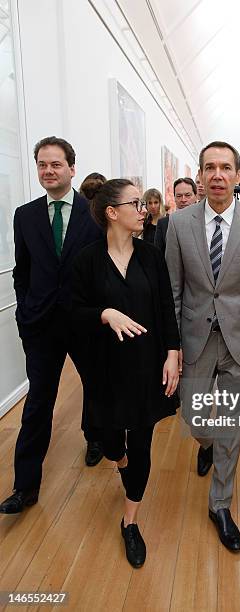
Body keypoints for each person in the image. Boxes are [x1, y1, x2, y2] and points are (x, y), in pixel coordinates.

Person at [166, 141, 240, 552]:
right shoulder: (178, 224)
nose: (217, 174)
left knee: (231, 423)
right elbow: (172, 292)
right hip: (194, 337)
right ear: (199, 175)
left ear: (236, 175)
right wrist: (171, 347)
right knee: (194, 419)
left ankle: (221, 505)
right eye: (209, 167)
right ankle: (209, 444)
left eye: (225, 167)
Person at [71, 178, 180, 568]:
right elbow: (71, 312)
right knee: (109, 441)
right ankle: (119, 459)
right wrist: (104, 312)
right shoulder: (86, 260)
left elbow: (167, 307)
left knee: (143, 443)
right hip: (104, 370)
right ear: (112, 213)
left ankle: (129, 520)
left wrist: (172, 353)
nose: (144, 208)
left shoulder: (151, 256)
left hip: (147, 365)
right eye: (135, 203)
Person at [0, 136, 103, 516]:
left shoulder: (93, 213)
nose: (48, 171)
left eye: (56, 164)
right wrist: (24, 312)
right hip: (40, 324)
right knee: (38, 403)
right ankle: (24, 487)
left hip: (83, 321)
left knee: (95, 385)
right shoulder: (25, 215)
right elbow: (22, 270)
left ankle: (94, 438)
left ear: (72, 169)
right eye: (42, 164)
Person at [154, 178, 197, 254]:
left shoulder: (205, 221)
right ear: (174, 198)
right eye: (179, 196)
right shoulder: (163, 224)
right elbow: (158, 255)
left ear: (196, 196)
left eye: (187, 195)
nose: (183, 200)